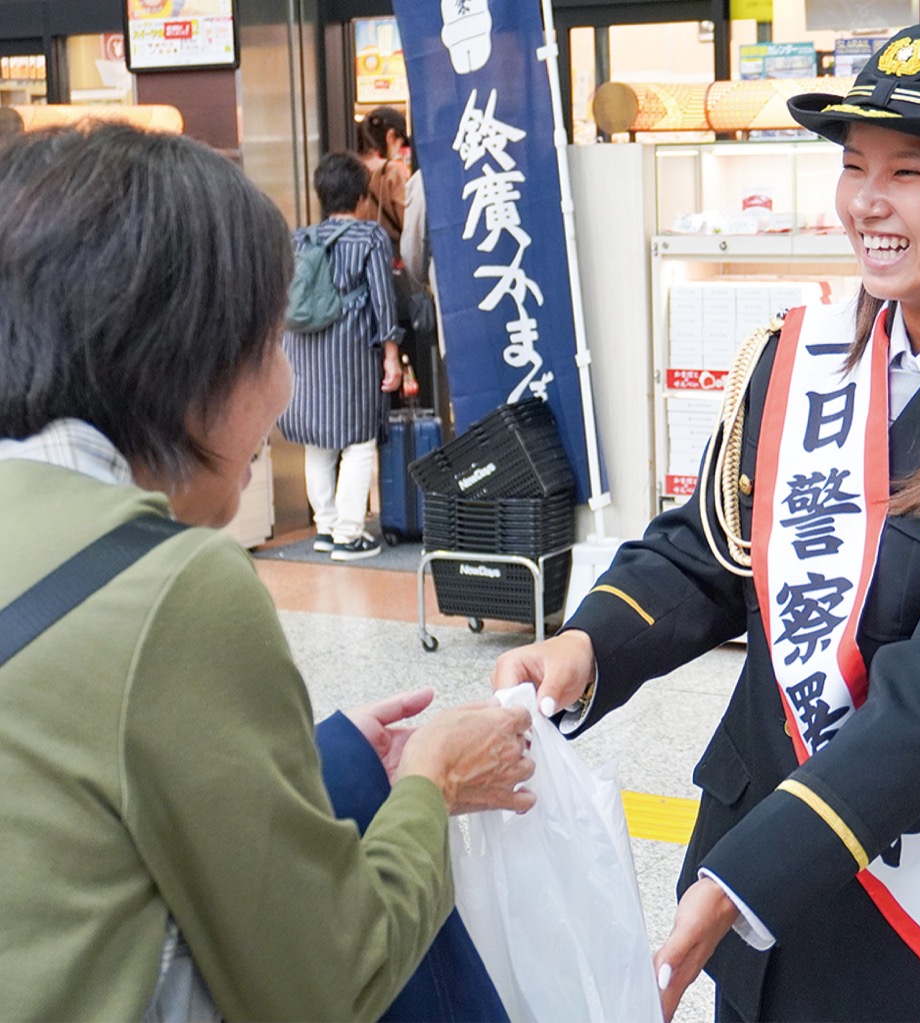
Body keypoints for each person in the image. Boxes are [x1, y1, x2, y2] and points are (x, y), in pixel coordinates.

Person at [493, 19, 920, 1023]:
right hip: (753, 831)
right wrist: (590, 643)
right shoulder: (799, 364)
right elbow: (712, 550)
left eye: (910, 170)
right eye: (854, 168)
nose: (868, 204)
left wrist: (740, 883)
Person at [0, 123, 534, 1021]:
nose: (285, 386)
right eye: (265, 341)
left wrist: (319, 759)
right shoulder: (172, 585)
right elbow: (329, 979)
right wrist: (430, 787)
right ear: (177, 355)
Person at [278, 151, 400, 561]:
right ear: (362, 198)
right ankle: (350, 534)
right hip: (350, 348)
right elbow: (383, 300)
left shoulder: (299, 239)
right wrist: (392, 355)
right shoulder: (370, 238)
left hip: (303, 352)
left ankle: (326, 527)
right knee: (360, 441)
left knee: (319, 441)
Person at [358, 105, 411, 260]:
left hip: (358, 257)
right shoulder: (393, 171)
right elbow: (408, 224)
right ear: (390, 136)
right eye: (400, 144)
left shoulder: (350, 167)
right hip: (389, 258)